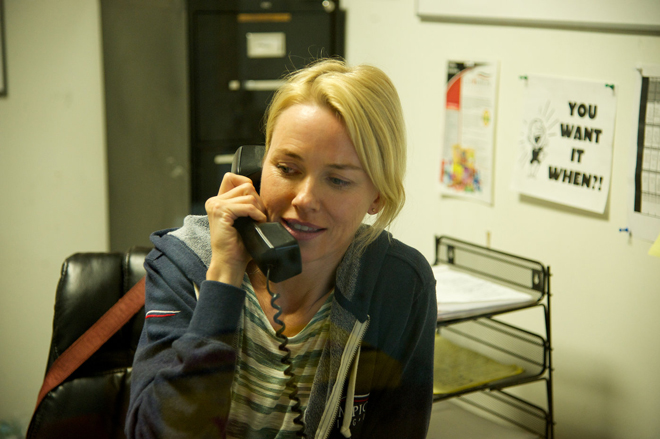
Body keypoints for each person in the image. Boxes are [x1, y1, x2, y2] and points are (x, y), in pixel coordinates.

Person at [126, 58, 437, 439]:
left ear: (377, 197)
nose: (304, 199)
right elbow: (153, 433)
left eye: (338, 180)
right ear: (256, 169)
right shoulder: (183, 264)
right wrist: (223, 276)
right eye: (287, 169)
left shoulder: (400, 283)